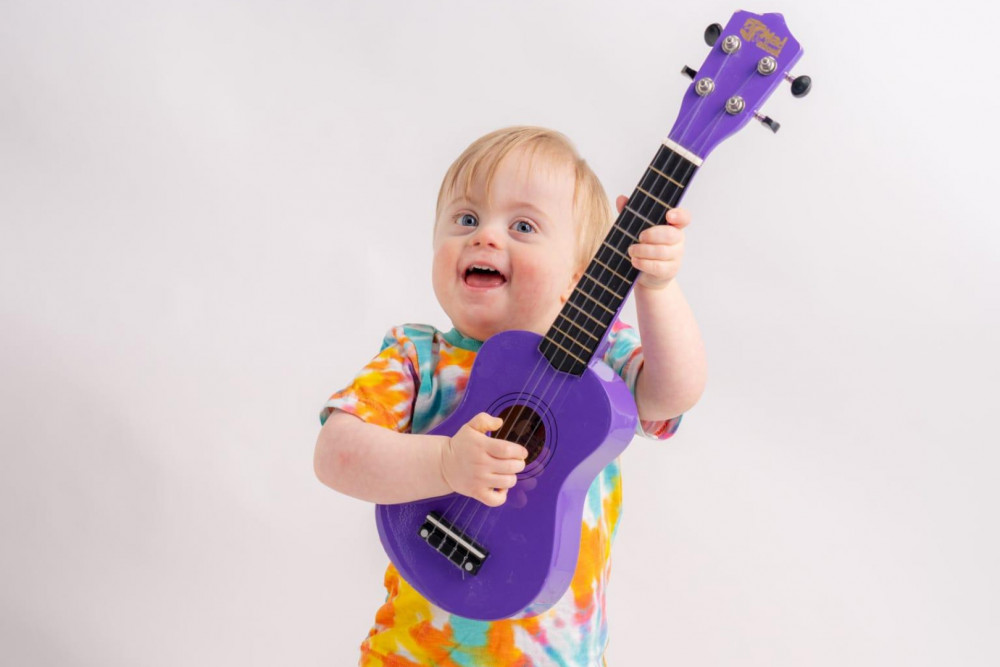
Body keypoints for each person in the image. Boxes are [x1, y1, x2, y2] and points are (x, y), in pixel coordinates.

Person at [314, 126, 707, 665]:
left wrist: (658, 289)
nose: (486, 237)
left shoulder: (601, 357)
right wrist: (446, 463)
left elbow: (671, 395)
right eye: (466, 219)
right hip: (411, 654)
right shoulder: (418, 358)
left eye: (522, 226)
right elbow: (335, 454)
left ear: (582, 275)